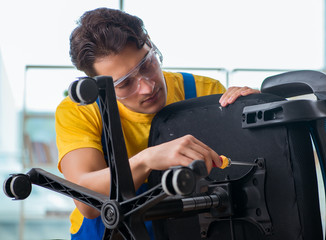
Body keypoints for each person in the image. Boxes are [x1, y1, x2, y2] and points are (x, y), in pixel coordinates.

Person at [55, 7, 260, 240]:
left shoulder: (205, 93)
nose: (147, 86)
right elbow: (89, 204)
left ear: (151, 45)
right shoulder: (80, 111)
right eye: (124, 84)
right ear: (97, 87)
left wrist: (256, 112)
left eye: (146, 64)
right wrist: (148, 159)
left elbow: (243, 169)